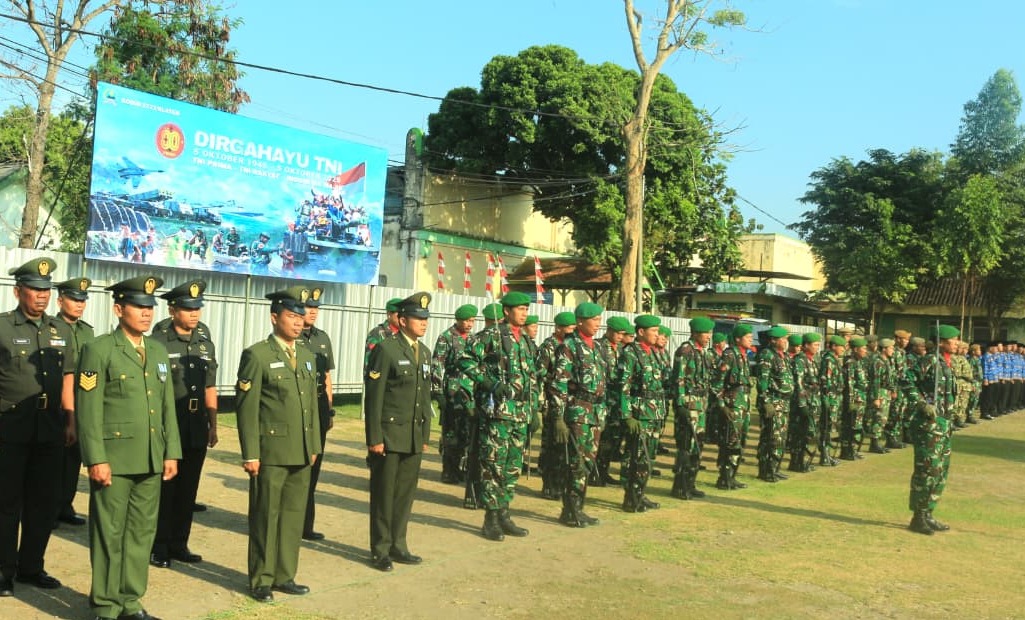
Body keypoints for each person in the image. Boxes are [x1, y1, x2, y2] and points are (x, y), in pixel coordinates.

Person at [76, 275, 181, 620]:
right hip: (114, 461)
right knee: (109, 532)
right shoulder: (100, 349)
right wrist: (96, 459)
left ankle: (131, 602)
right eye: (139, 306)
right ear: (119, 308)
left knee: (141, 533)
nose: (146, 313)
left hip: (151, 459)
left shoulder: (158, 350)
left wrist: (171, 452)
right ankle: (106, 606)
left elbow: (167, 407)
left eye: (150, 307)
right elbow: (89, 412)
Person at [235, 286, 321, 602]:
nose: (298, 322)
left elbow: (311, 404)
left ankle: (285, 574)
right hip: (270, 453)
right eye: (291, 316)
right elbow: (247, 408)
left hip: (300, 451)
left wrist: (313, 444)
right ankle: (261, 578)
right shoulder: (257, 355)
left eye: (301, 316)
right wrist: (250, 453)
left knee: (293, 515)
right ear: (275, 318)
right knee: (265, 515)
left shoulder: (308, 357)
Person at [0, 258, 75, 598]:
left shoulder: (62, 331)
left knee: (43, 502)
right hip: (10, 429)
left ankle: (31, 566)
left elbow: (69, 378)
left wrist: (70, 419)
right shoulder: (2, 328)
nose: (42, 296)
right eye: (35, 289)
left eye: (47, 290)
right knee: (6, 502)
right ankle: (3, 570)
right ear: (18, 291)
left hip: (50, 428)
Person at [149, 280, 219, 569]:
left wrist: (213, 424)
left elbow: (210, 385)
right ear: (173, 309)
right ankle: (159, 545)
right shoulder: (158, 341)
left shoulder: (204, 340)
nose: (194, 314)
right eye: (188, 309)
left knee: (189, 488)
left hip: (196, 423)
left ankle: (180, 543)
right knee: (166, 489)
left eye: (197, 309)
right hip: (171, 423)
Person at [459, 292, 538, 541]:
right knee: (493, 465)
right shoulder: (492, 335)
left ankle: (504, 513)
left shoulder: (524, 340)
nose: (524, 312)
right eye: (520, 309)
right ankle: (490, 518)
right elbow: (465, 361)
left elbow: (531, 377)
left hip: (520, 414)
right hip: (499, 414)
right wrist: (489, 384)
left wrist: (534, 409)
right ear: (506, 312)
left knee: (512, 467)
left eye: (526, 308)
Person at [364, 292, 433, 571]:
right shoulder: (387, 349)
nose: (423, 323)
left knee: (405, 494)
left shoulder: (424, 352)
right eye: (418, 318)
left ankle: (398, 544)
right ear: (402, 320)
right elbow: (375, 397)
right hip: (390, 435)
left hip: (413, 436)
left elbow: (424, 397)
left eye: (425, 319)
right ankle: (380, 549)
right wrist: (375, 438)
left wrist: (425, 435)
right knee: (384, 493)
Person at [549, 302, 608, 527]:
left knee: (589, 462)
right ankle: (570, 510)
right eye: (594, 320)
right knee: (576, 464)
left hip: (595, 413)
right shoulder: (569, 346)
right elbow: (559, 384)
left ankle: (579, 508)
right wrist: (558, 417)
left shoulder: (598, 347)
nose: (597, 324)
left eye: (599, 319)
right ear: (581, 322)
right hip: (578, 412)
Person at [905, 325, 958, 535]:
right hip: (928, 426)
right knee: (927, 471)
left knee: (940, 471)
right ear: (942, 341)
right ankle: (917, 517)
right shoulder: (929, 361)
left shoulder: (947, 362)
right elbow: (906, 381)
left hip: (944, 426)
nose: (956, 343)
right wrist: (921, 404)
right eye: (953, 340)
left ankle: (928, 512)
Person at [54, 276, 95, 528]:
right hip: (55, 404)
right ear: (60, 301)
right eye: (74, 299)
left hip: (81, 404)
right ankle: (47, 508)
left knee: (73, 459)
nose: (79, 305)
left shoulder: (87, 330)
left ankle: (64, 505)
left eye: (82, 301)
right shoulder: (51, 328)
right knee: (52, 460)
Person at [615, 314, 668, 511]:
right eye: (653, 331)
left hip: (653, 412)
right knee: (635, 456)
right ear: (641, 332)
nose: (657, 334)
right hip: (639, 414)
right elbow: (623, 387)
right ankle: (630, 497)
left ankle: (640, 493)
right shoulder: (631, 353)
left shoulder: (652, 352)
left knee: (647, 457)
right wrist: (627, 416)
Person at [298, 288, 336, 541]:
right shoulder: (291, 337)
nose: (312, 311)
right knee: (297, 468)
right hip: (298, 411)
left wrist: (330, 410)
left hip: (319, 411)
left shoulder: (323, 338)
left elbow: (327, 377)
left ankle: (306, 525)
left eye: (316, 308)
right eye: (308, 307)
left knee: (313, 469)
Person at [669, 317, 715, 499]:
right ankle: (680, 486)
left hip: (701, 404)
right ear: (695, 333)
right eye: (706, 333)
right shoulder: (685, 351)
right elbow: (678, 379)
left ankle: (690, 483)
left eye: (710, 333)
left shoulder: (703, 352)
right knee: (686, 445)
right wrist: (680, 404)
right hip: (688, 404)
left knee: (698, 444)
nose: (709, 337)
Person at [431, 304, 477, 484]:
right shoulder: (447, 338)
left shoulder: (473, 339)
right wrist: (437, 392)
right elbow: (437, 364)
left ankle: (461, 469)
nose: (469, 324)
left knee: (466, 432)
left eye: (472, 321)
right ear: (458, 320)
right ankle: (449, 470)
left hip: (469, 393)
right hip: (453, 390)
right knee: (451, 433)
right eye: (466, 320)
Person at [536, 311, 576, 500]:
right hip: (552, 400)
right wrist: (556, 379)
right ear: (558, 328)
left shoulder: (572, 347)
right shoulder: (548, 346)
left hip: (569, 402)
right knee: (551, 443)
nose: (572, 331)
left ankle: (560, 483)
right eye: (569, 328)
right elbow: (540, 372)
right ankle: (548, 484)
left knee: (563, 445)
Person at [591, 316, 630, 487]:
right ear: (609, 331)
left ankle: (603, 470)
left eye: (623, 334)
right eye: (619, 334)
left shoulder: (623, 350)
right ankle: (593, 473)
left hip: (616, 403)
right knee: (598, 439)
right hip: (602, 401)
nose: (621, 337)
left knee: (612, 439)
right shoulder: (598, 347)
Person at [714, 324, 754, 490]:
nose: (751, 339)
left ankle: (732, 476)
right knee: (731, 441)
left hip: (743, 403)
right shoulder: (730, 355)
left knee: (740, 441)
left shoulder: (743, 356)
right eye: (747, 336)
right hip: (732, 404)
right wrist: (722, 406)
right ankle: (724, 477)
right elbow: (717, 384)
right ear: (738, 339)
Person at [755, 326, 792, 482]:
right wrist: (766, 402)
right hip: (773, 401)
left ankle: (775, 468)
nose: (786, 342)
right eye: (783, 339)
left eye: (786, 339)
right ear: (774, 340)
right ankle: (767, 470)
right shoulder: (767, 355)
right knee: (771, 437)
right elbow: (762, 381)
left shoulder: (783, 356)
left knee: (780, 437)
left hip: (783, 402)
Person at [791, 332, 823, 472]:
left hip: (812, 401)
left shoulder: (813, 359)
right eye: (815, 345)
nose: (817, 347)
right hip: (802, 402)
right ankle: (796, 462)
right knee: (799, 433)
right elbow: (799, 384)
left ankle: (801, 461)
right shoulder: (800, 360)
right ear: (806, 345)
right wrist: (802, 404)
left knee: (806, 433)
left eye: (818, 344)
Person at [840, 336, 870, 460]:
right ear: (856, 349)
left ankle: (853, 449)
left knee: (856, 425)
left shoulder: (859, 362)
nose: (866, 351)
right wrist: (851, 401)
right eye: (863, 348)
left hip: (860, 398)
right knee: (850, 425)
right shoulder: (850, 363)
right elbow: (850, 383)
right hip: (854, 399)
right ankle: (846, 451)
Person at [819, 335, 846, 466]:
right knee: (826, 427)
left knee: (831, 427)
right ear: (834, 346)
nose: (843, 349)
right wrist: (827, 399)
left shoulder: (835, 359)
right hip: (830, 397)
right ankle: (824, 455)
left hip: (835, 397)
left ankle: (827, 454)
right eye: (841, 346)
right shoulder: (829, 360)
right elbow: (826, 382)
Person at [364, 298, 402, 372]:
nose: (401, 318)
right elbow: (369, 364)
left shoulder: (406, 334)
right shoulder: (377, 334)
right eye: (398, 315)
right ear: (389, 314)